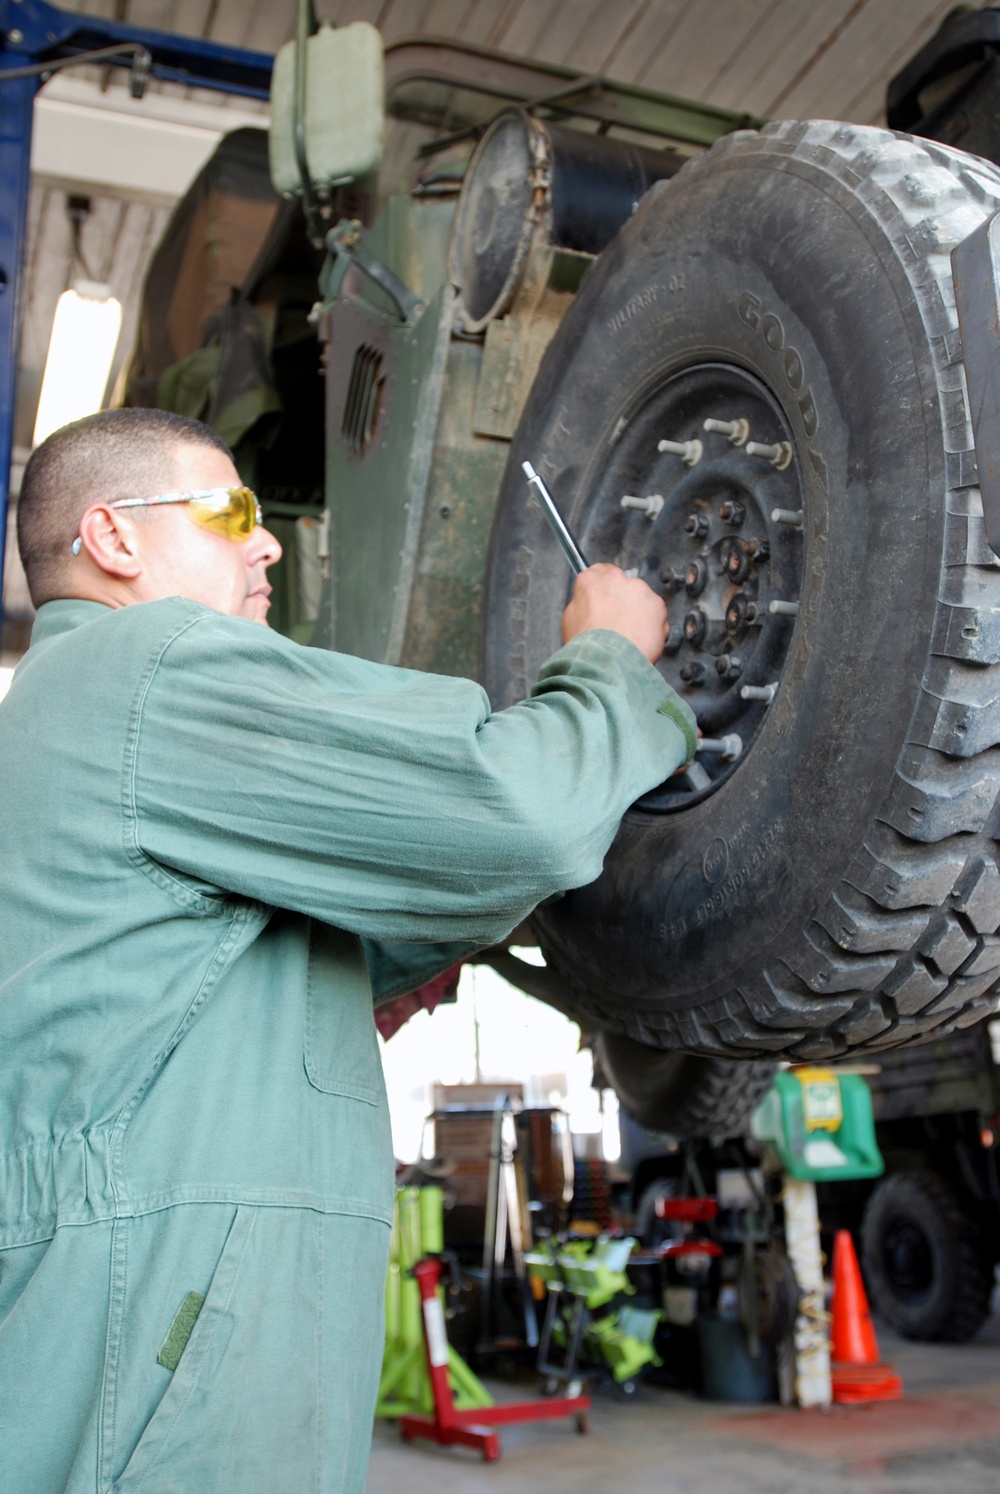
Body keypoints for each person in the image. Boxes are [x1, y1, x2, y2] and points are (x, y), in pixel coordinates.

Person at [0, 408, 695, 1492]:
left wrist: (362, 973)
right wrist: (609, 659)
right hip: (158, 1372)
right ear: (113, 539)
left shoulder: (66, 719)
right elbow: (517, 810)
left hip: (137, 1333)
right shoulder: (152, 669)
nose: (265, 539)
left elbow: (176, 975)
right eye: (228, 512)